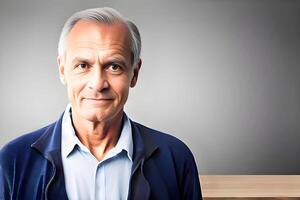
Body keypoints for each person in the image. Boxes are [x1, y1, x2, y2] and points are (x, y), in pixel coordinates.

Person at [0, 7, 202, 200]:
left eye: (114, 66)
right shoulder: (13, 161)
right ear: (62, 70)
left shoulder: (175, 159)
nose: (97, 84)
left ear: (135, 73)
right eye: (83, 65)